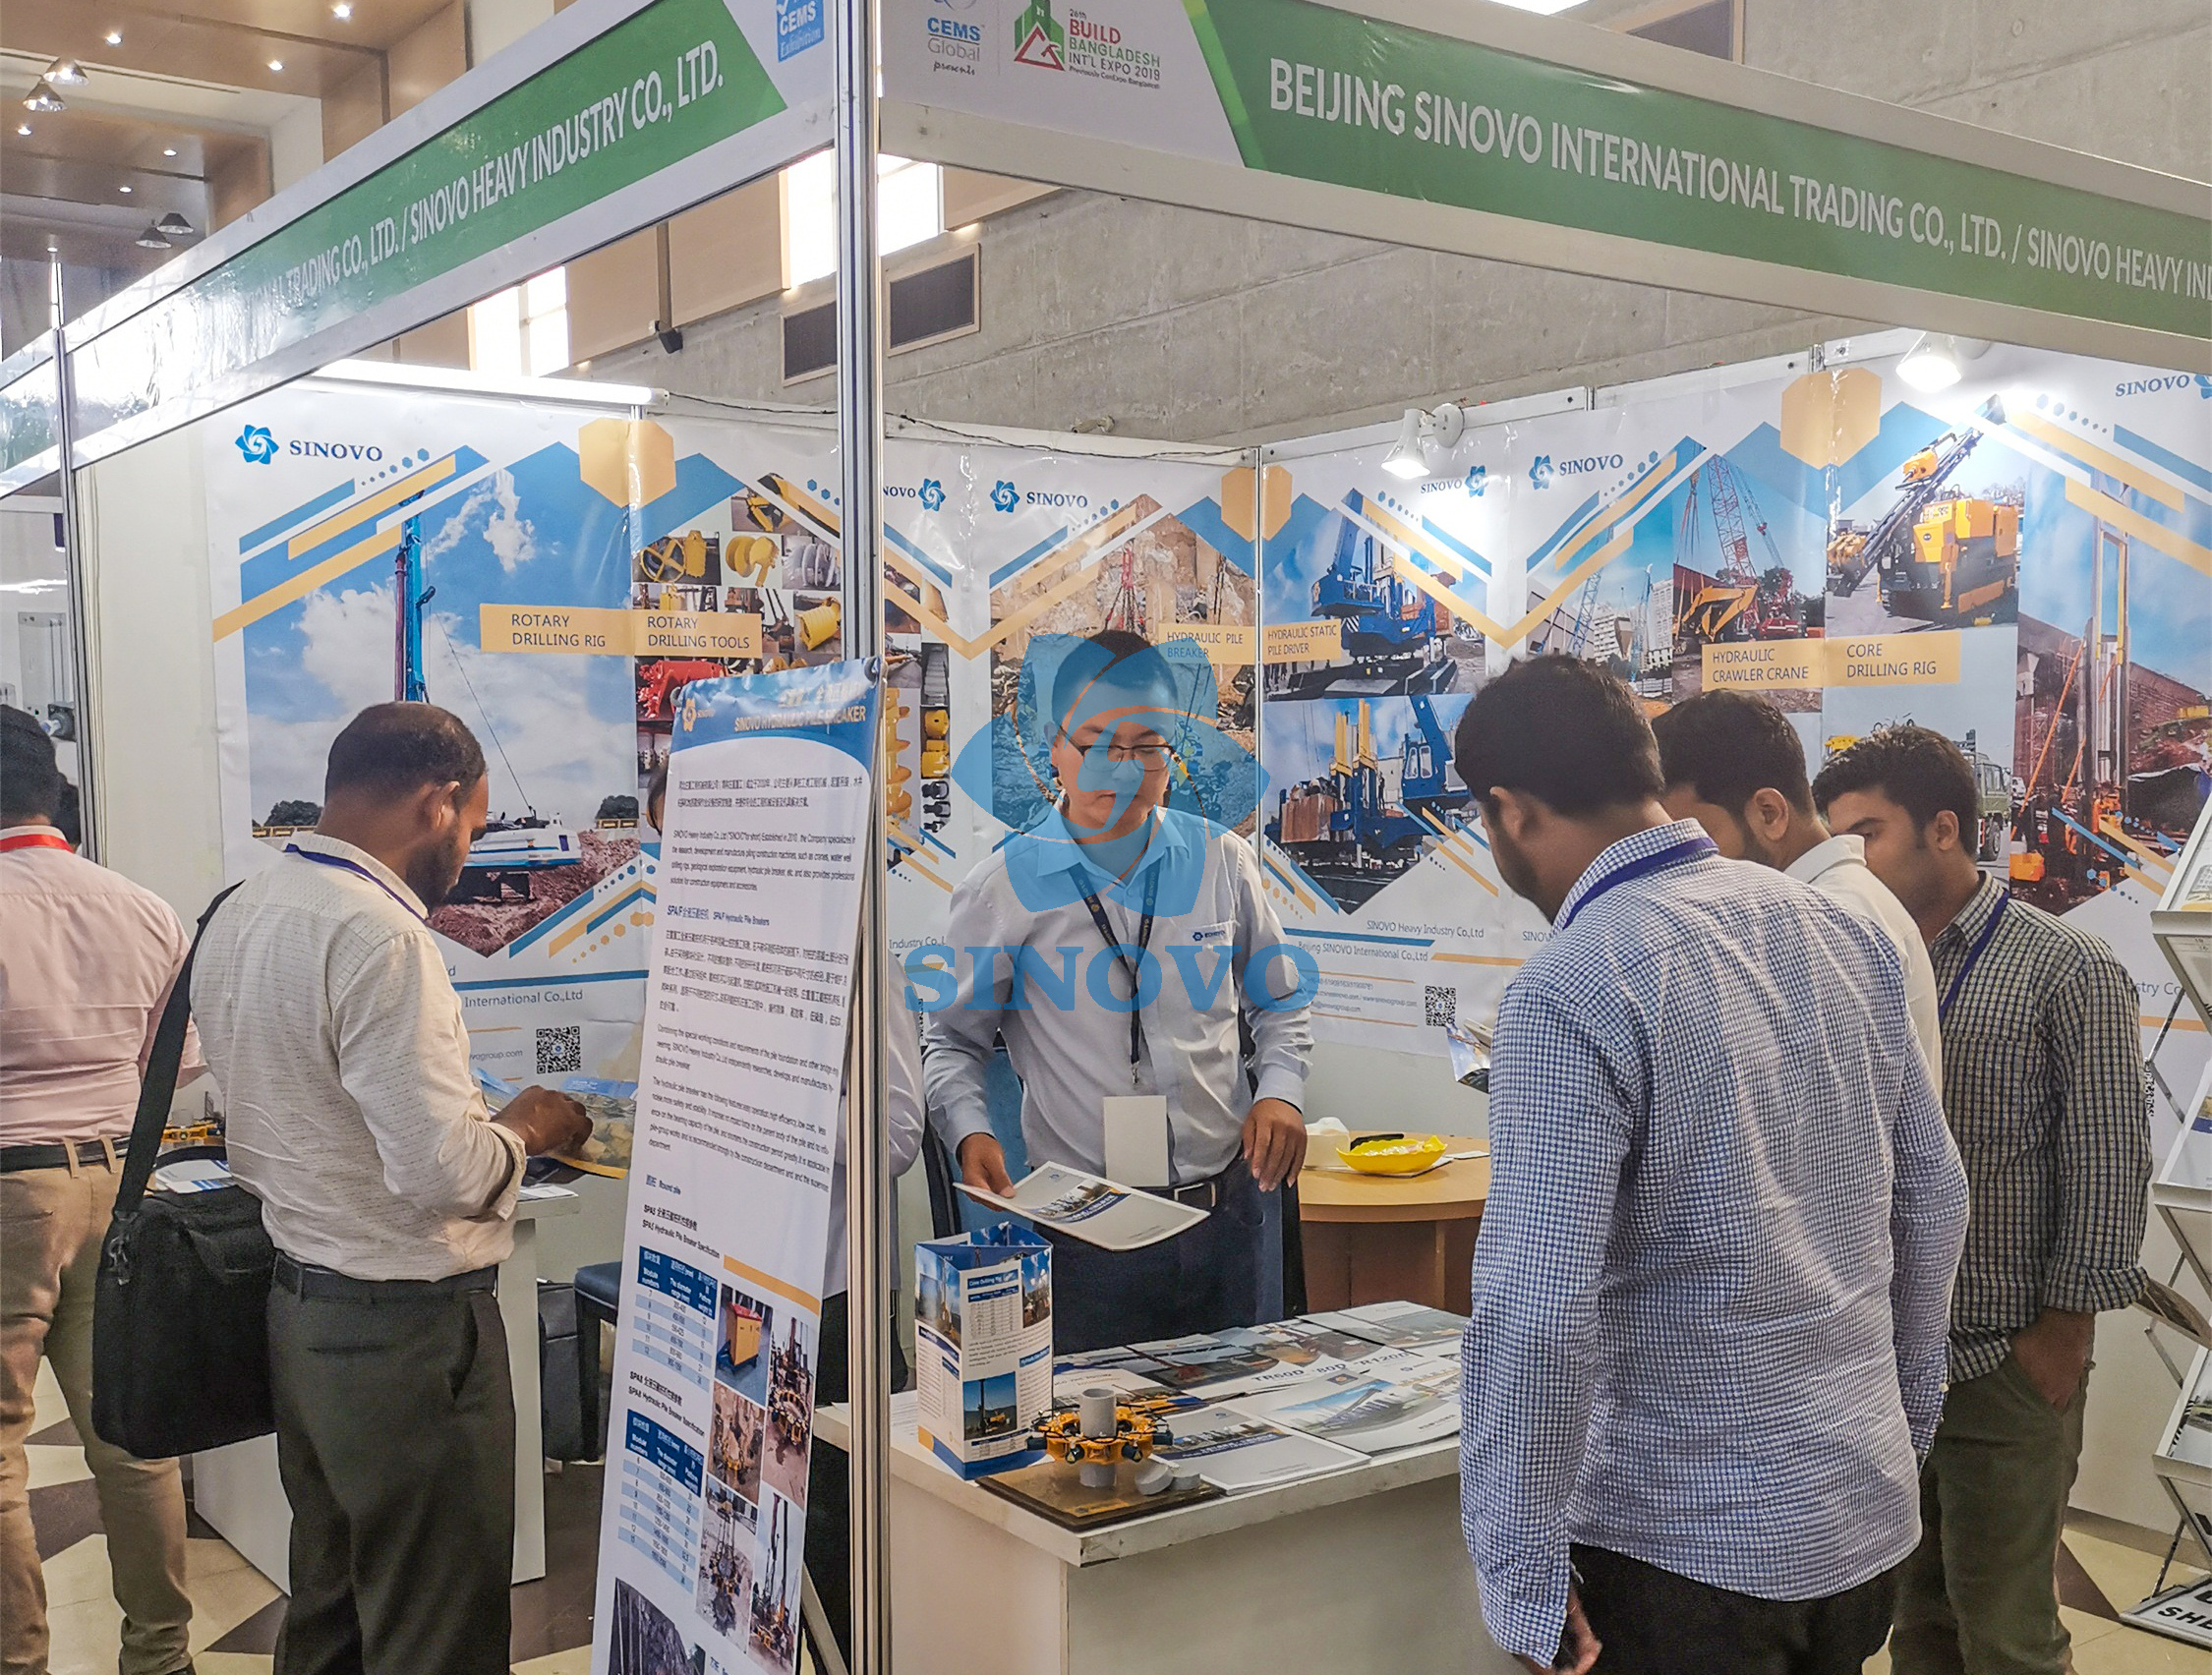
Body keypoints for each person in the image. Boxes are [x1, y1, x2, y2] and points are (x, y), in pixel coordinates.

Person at [1452, 657, 1968, 1675]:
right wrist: (1901, 1426)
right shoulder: (1840, 930)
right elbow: (1934, 1199)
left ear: (1509, 811)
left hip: (1681, 1550)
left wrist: (1521, 1571)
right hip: (1859, 1518)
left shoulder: (1573, 982)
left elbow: (1536, 1310)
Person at [192, 703, 593, 1675]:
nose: (470, 852)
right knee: (435, 1629)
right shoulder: (381, 938)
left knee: (330, 1607)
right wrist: (527, 1128)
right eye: (476, 826)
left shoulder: (240, 908)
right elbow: (443, 1175)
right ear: (437, 803)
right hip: (411, 1342)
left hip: (303, 1317)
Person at [1813, 726, 2152, 1675]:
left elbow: (2107, 1164)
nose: (1849, 861)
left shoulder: (2064, 968)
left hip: (2005, 1358)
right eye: (1836, 839)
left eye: (1867, 834)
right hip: (1886, 1361)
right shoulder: (1851, 960)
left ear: (1944, 829)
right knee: (1917, 1623)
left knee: (2007, 1634)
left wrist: (2061, 1337)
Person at [922, 630, 1312, 1353]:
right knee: (1093, 1422)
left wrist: (1281, 1090)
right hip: (1084, 1239)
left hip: (1225, 1219)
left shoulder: (1222, 862)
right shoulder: (1002, 888)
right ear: (1055, 745)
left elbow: (1279, 999)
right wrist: (970, 1132)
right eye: (1099, 744)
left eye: (1148, 747)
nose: (1125, 770)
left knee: (1242, 1412)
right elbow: (950, 1039)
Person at [648, 758, 924, 1667]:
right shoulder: (696, 946)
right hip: (721, 1290)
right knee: (743, 1548)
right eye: (672, 843)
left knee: (842, 1553)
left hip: (826, 1305)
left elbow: (892, 1133)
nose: (685, 864)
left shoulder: (850, 950)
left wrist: (761, 1105)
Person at [0, 706, 198, 1675]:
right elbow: (175, 1066)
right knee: (130, 1434)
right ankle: (161, 1655)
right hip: (121, 1186)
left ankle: (19, 1659)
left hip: (7, 1194)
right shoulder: (143, 907)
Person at [1652, 690, 1941, 1080]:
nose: (1684, 862)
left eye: (1697, 836)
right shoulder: (1838, 903)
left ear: (1769, 814)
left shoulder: (1830, 920)